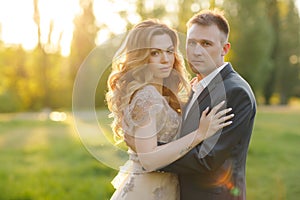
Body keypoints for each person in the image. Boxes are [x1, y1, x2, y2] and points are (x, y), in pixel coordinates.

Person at [106, 19, 234, 200]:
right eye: (155, 53)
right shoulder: (147, 95)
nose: (166, 59)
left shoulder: (160, 93)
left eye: (169, 51)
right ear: (141, 56)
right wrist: (199, 134)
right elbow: (149, 160)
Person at [153, 9, 256, 200]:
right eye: (191, 43)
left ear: (225, 49)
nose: (196, 51)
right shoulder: (199, 84)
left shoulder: (234, 92)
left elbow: (206, 159)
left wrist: (150, 154)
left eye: (206, 44)